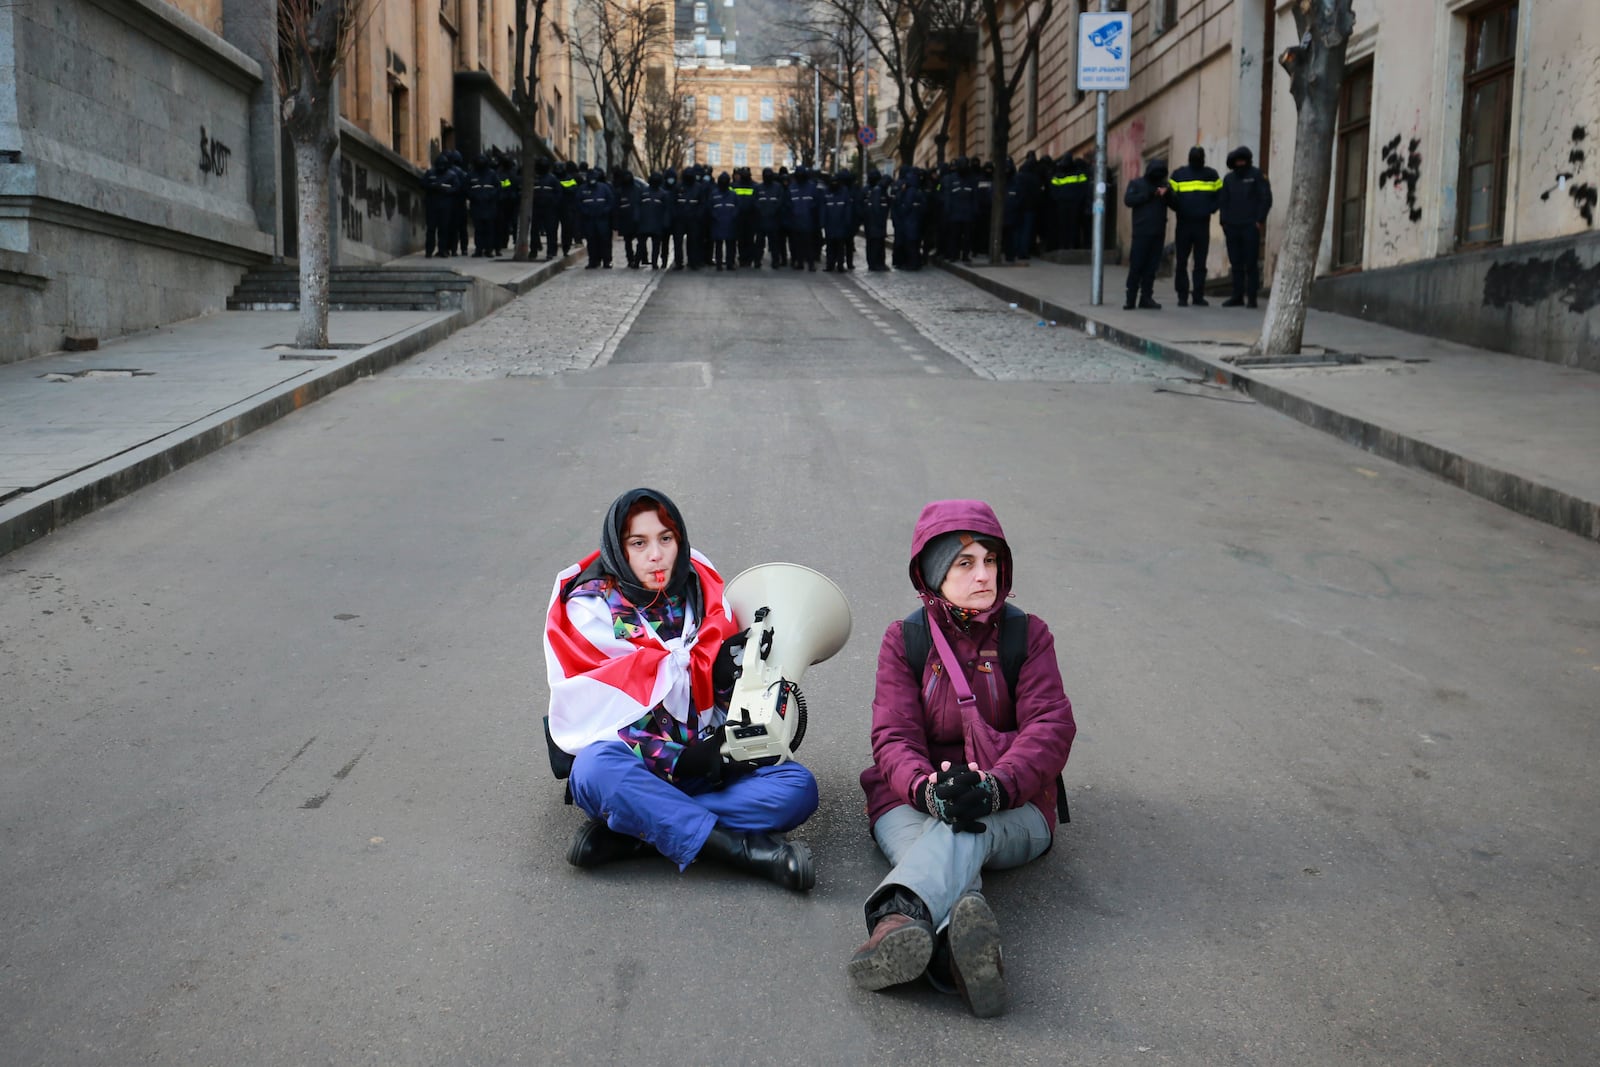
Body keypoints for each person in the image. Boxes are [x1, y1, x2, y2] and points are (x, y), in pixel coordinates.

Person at [849, 499, 1075, 1017]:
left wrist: (995, 787)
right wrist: (930, 790)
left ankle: (897, 917)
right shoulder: (904, 639)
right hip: (911, 802)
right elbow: (893, 737)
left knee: (961, 831)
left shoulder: (1028, 636)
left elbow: (1051, 728)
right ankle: (956, 955)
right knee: (949, 835)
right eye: (965, 563)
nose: (984, 575)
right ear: (933, 574)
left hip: (1015, 805)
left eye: (991, 560)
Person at [545, 488, 820, 892]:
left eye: (666, 539)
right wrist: (687, 760)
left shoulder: (701, 589)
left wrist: (737, 688)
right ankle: (747, 852)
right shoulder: (589, 610)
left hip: (707, 760)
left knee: (798, 789)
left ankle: (638, 829)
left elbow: (728, 692)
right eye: (638, 543)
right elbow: (600, 716)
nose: (656, 555)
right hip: (638, 766)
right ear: (618, 549)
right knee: (593, 771)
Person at [1218, 145, 1273, 307]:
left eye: (1242, 160)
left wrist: (1259, 220)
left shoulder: (1257, 175)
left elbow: (1266, 199)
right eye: (1237, 161)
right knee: (1236, 263)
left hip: (1250, 226)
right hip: (1232, 226)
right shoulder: (1229, 179)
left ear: (1248, 160)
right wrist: (1224, 222)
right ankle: (1237, 296)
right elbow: (1223, 201)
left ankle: (1252, 297)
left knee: (1251, 263)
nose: (1240, 163)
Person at [1169, 146, 1222, 306]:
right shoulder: (1178, 175)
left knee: (1200, 262)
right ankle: (1182, 296)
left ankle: (1198, 295)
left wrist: (1211, 209)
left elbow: (1220, 195)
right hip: (1184, 224)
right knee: (1182, 262)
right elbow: (1171, 198)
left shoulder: (1211, 175)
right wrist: (1180, 209)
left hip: (1202, 224)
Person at [1122, 157, 1176, 309]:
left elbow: (1175, 205)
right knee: (1137, 266)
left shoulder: (1164, 187)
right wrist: (1150, 195)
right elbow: (1129, 200)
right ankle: (1130, 298)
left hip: (1158, 233)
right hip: (1141, 233)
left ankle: (1146, 297)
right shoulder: (1137, 184)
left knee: (1151, 268)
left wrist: (1168, 193)